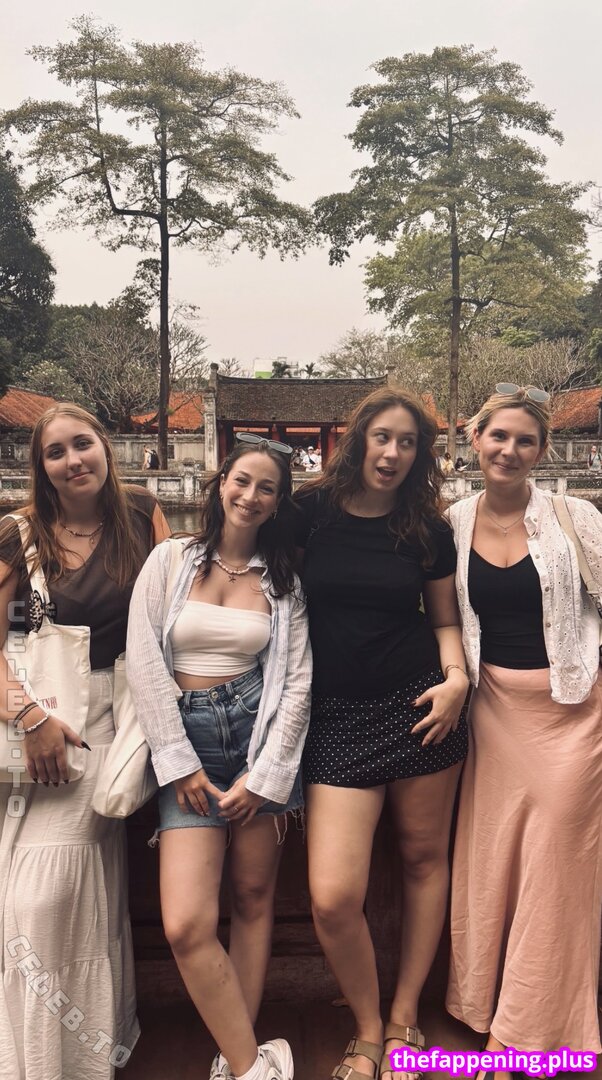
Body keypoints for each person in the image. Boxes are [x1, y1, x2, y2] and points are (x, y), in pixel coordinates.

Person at [293, 386, 469, 1080]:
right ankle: (365, 1027)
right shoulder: (309, 512)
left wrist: (456, 679)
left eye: (407, 443)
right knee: (333, 896)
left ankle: (402, 1018)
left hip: (421, 706)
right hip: (335, 714)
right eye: (382, 437)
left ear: (420, 455)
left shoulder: (427, 529)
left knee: (425, 860)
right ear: (358, 440)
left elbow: (444, 618)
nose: (392, 453)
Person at [126, 433, 312, 1080]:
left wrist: (266, 776)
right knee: (186, 923)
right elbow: (143, 660)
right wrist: (178, 762)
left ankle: (239, 1058)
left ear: (278, 502)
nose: (251, 496)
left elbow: (296, 683)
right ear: (220, 482)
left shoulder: (284, 582)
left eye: (267, 488)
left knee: (255, 898)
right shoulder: (171, 560)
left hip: (258, 741)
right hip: (189, 743)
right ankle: (254, 1063)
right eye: (242, 481)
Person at [0, 403, 170, 1080]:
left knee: (54, 892)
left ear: (105, 448)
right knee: (27, 896)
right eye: (56, 452)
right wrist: (28, 717)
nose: (74, 460)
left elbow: (170, 618)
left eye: (83, 444)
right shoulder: (18, 533)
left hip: (109, 725)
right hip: (32, 720)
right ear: (41, 467)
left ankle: (77, 1053)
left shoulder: (142, 516)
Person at [445, 384, 602, 1075]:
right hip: (492, 711)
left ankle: (528, 1032)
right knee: (493, 858)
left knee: (558, 866)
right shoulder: (451, 521)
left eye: (525, 440)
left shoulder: (575, 516)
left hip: (573, 711)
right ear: (475, 440)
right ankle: (482, 1004)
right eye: (498, 436)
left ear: (542, 451)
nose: (509, 450)